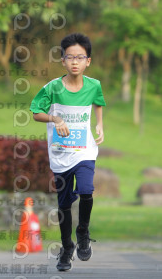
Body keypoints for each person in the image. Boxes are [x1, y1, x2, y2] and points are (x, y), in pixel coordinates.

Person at [29, 32, 106, 272]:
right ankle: (66, 247)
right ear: (62, 61)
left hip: (84, 151)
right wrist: (54, 118)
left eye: (80, 57)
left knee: (86, 190)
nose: (75, 62)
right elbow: (35, 112)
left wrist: (99, 124)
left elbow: (99, 102)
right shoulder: (52, 88)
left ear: (88, 61)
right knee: (63, 205)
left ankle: (82, 231)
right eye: (70, 57)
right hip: (60, 154)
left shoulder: (94, 85)